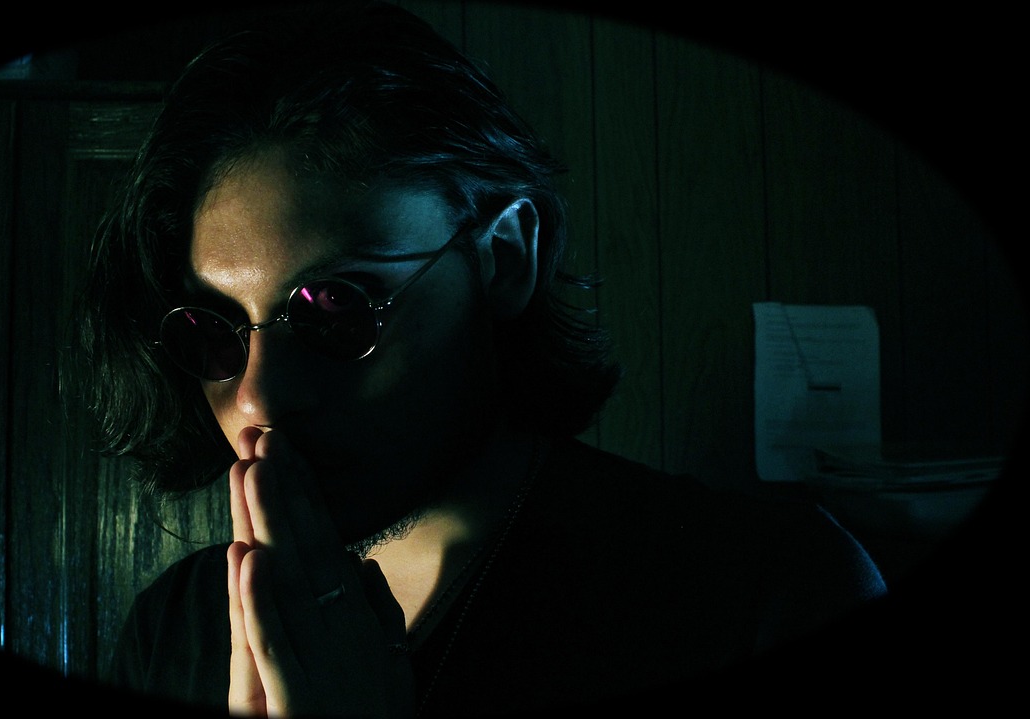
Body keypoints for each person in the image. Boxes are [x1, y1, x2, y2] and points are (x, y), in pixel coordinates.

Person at [76, 2, 886, 715]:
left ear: (503, 258)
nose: (258, 397)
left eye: (334, 307)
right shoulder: (173, 631)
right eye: (216, 331)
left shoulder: (764, 596)